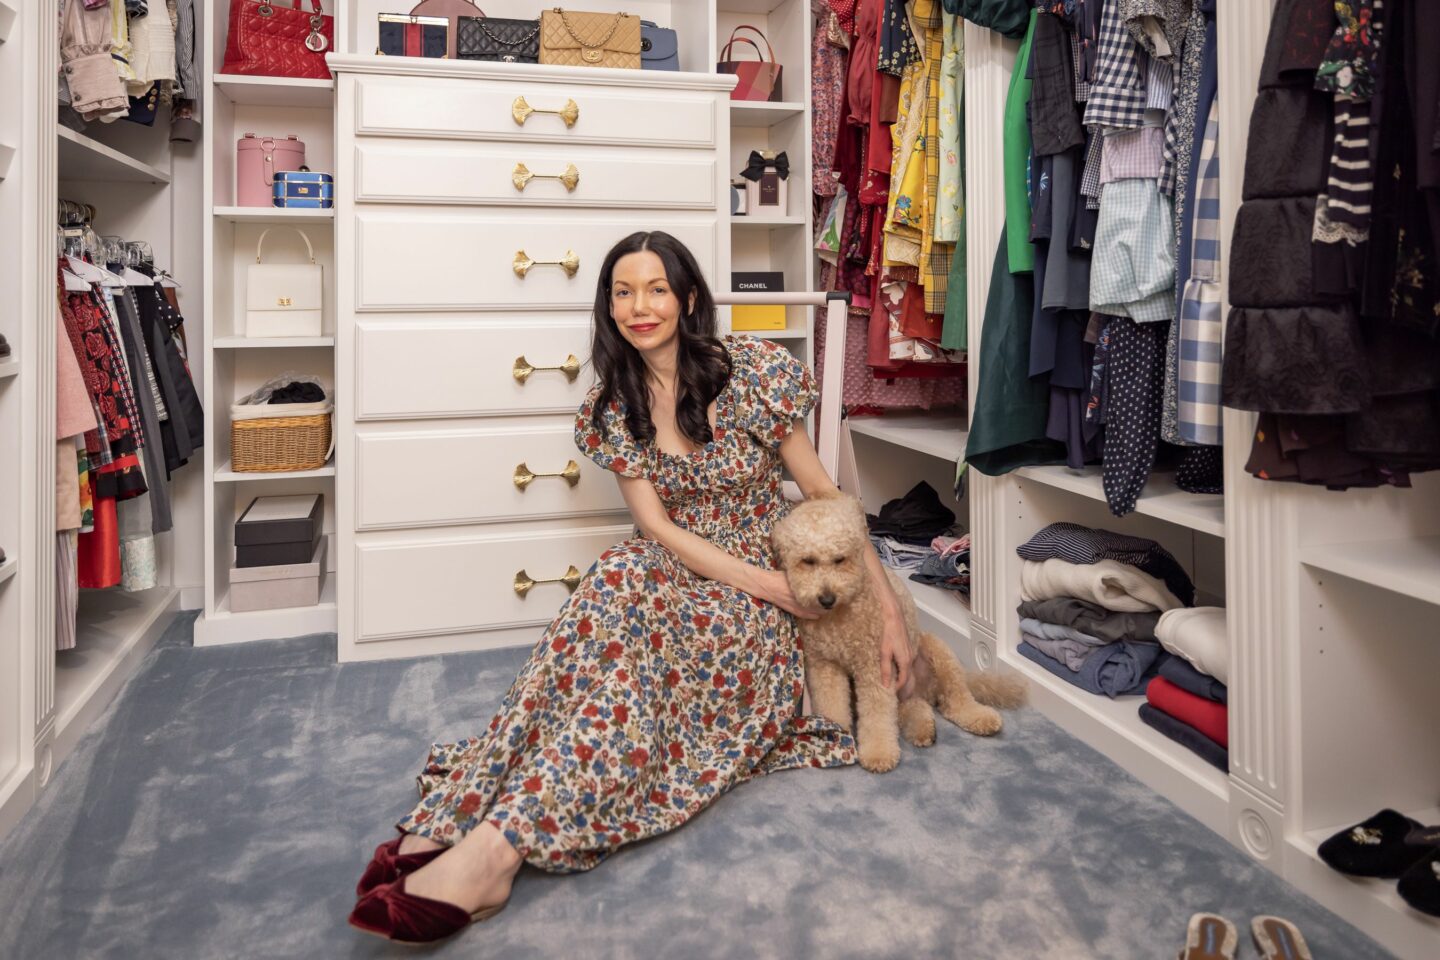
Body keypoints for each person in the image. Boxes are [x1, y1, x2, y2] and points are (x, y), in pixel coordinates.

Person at [349, 231, 914, 944]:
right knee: (615, 583)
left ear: (685, 299)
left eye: (655, 289)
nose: (638, 306)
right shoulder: (616, 403)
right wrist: (749, 580)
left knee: (633, 670)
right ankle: (465, 813)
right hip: (691, 565)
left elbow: (826, 496)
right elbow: (655, 526)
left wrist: (883, 609)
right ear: (607, 304)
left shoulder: (752, 373)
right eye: (622, 291)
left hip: (759, 589)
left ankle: (495, 849)